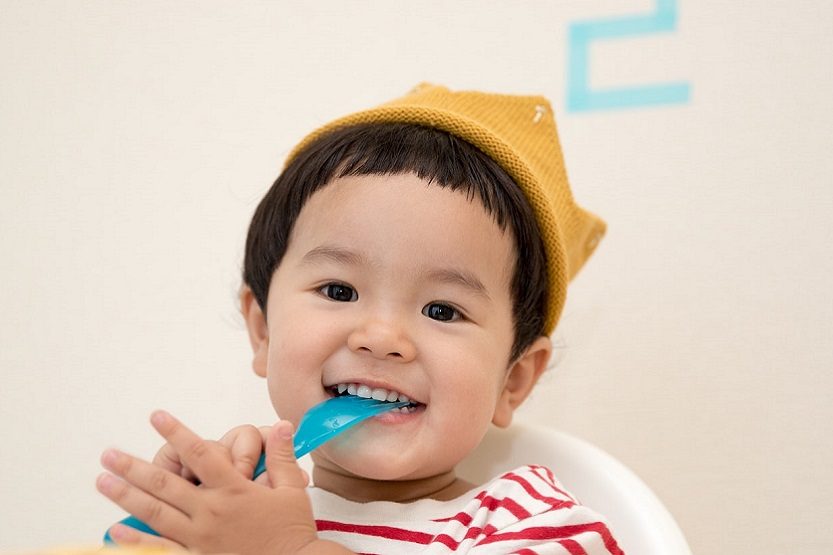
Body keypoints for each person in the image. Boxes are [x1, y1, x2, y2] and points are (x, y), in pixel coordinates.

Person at [96, 83, 623, 554]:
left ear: (514, 378)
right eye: (339, 290)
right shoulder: (241, 514)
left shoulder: (533, 523)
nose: (381, 338)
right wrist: (179, 533)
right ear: (263, 330)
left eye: (442, 310)